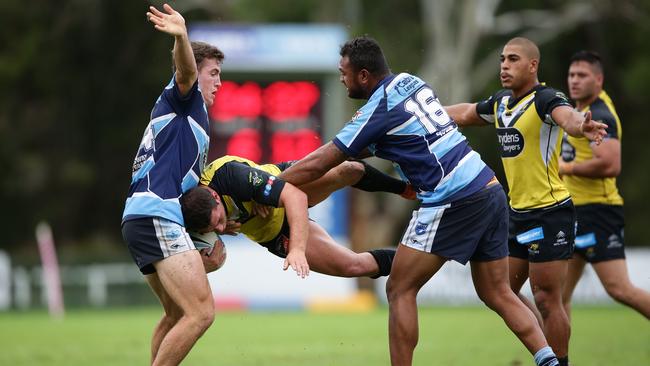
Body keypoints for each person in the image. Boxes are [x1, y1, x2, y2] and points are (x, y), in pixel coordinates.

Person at [278, 36, 562, 366]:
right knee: (497, 292)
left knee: (400, 288)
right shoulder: (411, 82)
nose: (341, 78)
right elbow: (396, 140)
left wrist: (270, 187)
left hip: (454, 197)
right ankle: (550, 362)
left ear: (364, 75)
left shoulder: (377, 108)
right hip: (489, 187)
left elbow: (323, 160)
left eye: (344, 72)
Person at [445, 37, 608, 366]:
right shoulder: (502, 102)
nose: (504, 65)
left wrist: (582, 125)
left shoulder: (546, 99)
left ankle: (559, 362)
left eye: (513, 59)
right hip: (517, 214)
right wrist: (422, 114)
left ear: (532, 65)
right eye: (503, 59)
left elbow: (568, 118)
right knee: (498, 289)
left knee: (548, 298)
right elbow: (463, 112)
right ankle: (545, 352)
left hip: (550, 214)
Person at [120, 4, 225, 365]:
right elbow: (185, 71)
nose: (219, 82)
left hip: (140, 218)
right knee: (202, 312)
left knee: (178, 315)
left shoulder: (187, 118)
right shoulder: (185, 97)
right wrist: (181, 36)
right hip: (155, 213)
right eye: (214, 73)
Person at [180, 155, 415, 278]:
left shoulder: (230, 176)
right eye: (214, 228)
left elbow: (296, 198)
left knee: (349, 170)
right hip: (274, 233)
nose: (220, 229)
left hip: (287, 183)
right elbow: (204, 253)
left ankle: (406, 189)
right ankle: (422, 256)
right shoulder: (195, 214)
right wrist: (209, 262)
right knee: (355, 266)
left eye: (220, 221)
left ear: (213, 194)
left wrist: (297, 250)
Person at [560, 50, 650, 319]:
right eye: (571, 75)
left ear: (598, 80)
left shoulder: (601, 115)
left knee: (619, 289)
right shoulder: (578, 111)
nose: (574, 80)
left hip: (598, 212)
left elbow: (611, 165)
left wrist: (568, 168)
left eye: (582, 75)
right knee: (555, 297)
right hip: (574, 212)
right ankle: (556, 360)